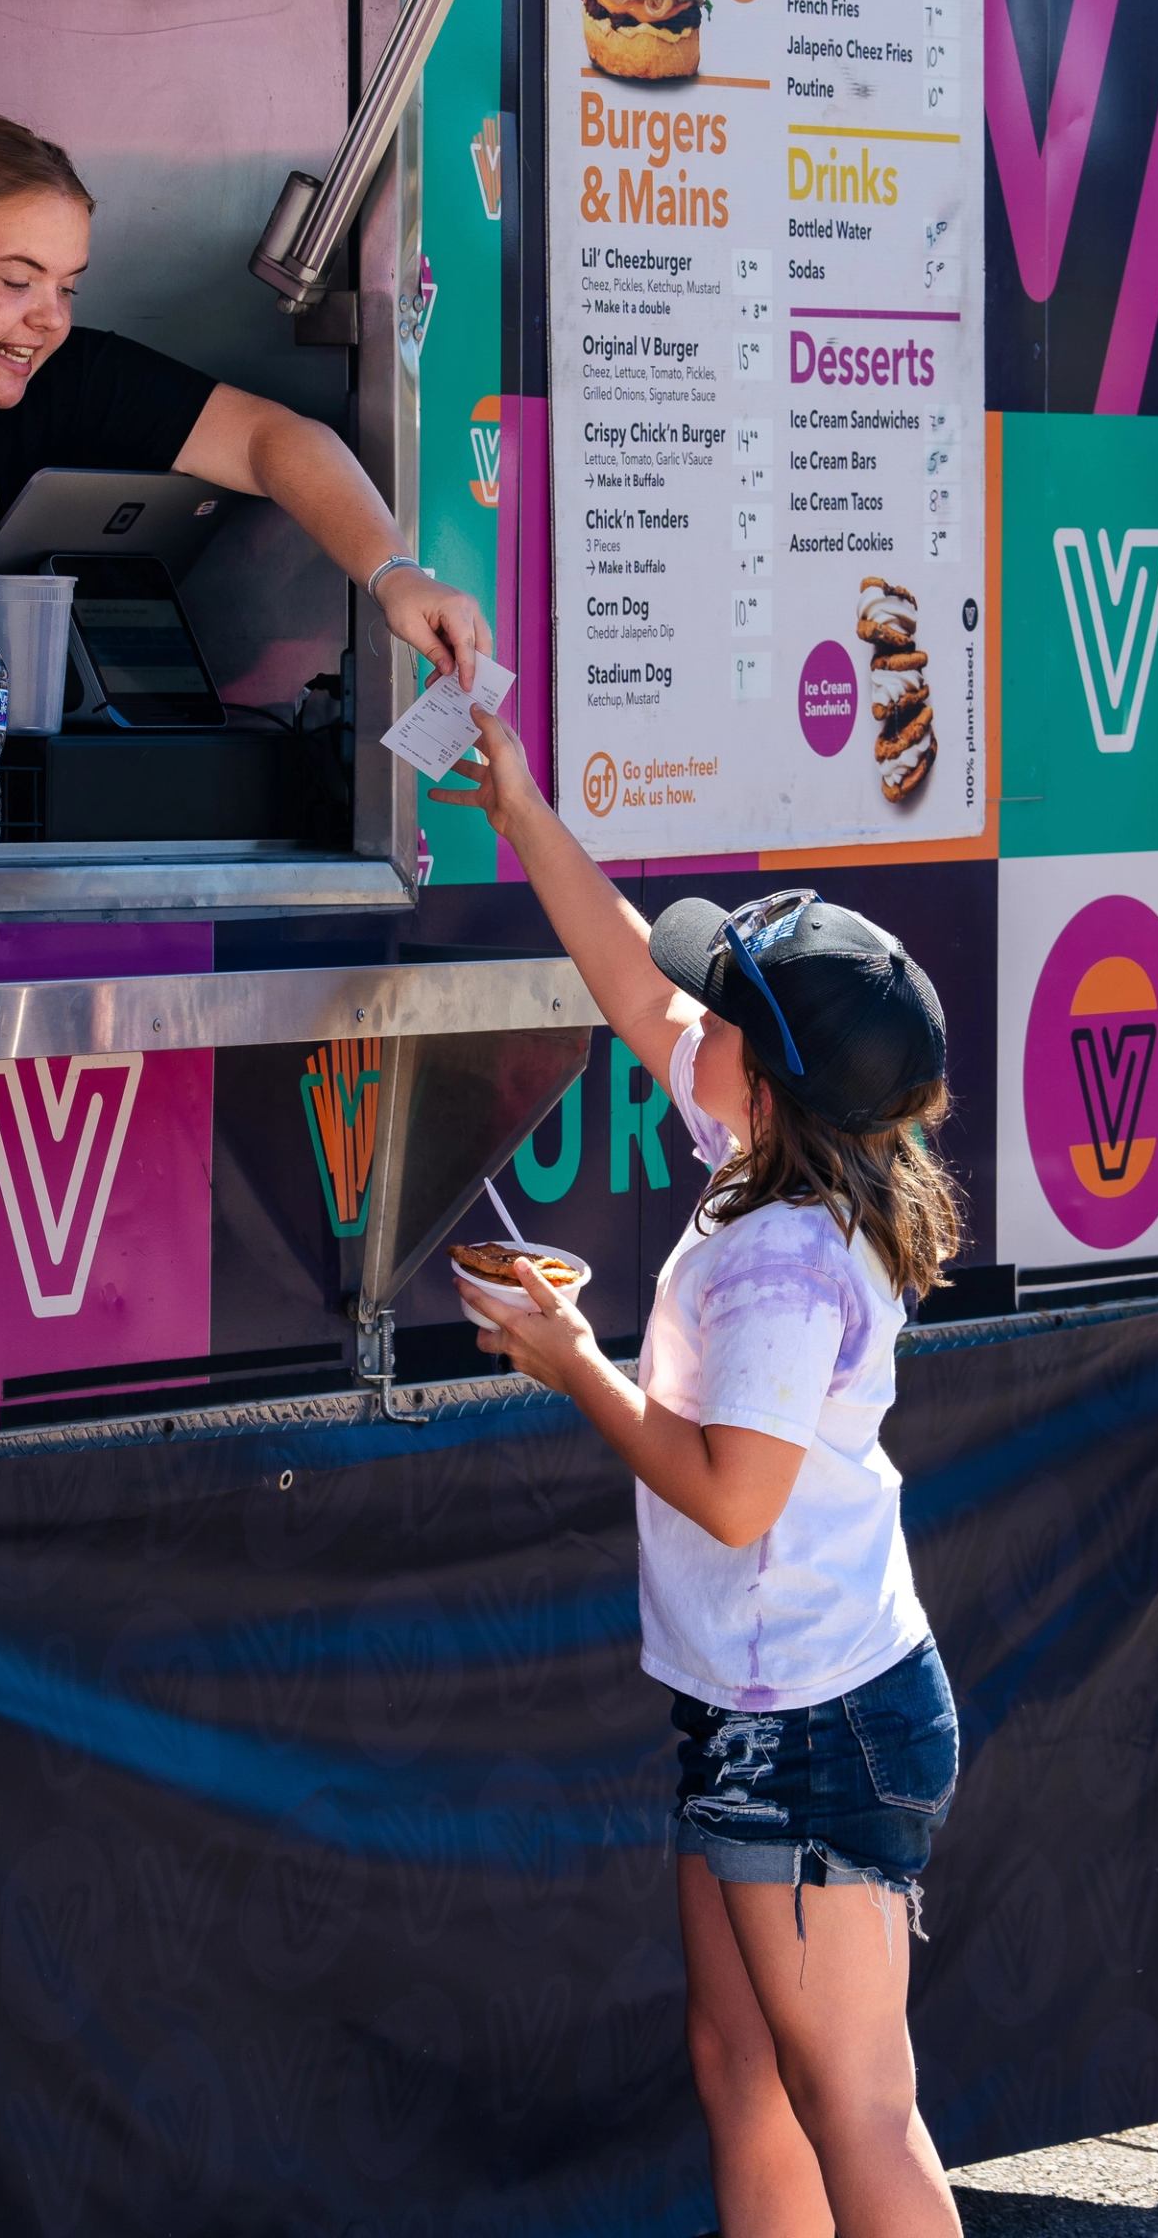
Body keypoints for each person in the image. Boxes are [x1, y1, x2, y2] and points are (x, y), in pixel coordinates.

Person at [434, 709, 965, 2238]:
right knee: (742, 2067)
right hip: (771, 1709)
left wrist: (572, 1360)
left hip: (816, 1724)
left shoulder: (789, 1261)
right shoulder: (771, 1148)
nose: (686, 1011)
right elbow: (624, 966)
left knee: (854, 2103)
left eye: (717, 1007)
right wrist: (521, 805)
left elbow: (735, 1495)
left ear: (771, 1076)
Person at [0, 110, 487, 686]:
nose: (49, 317)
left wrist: (395, 574)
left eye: (68, 285)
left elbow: (273, 440)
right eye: (17, 281)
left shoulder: (71, 377)